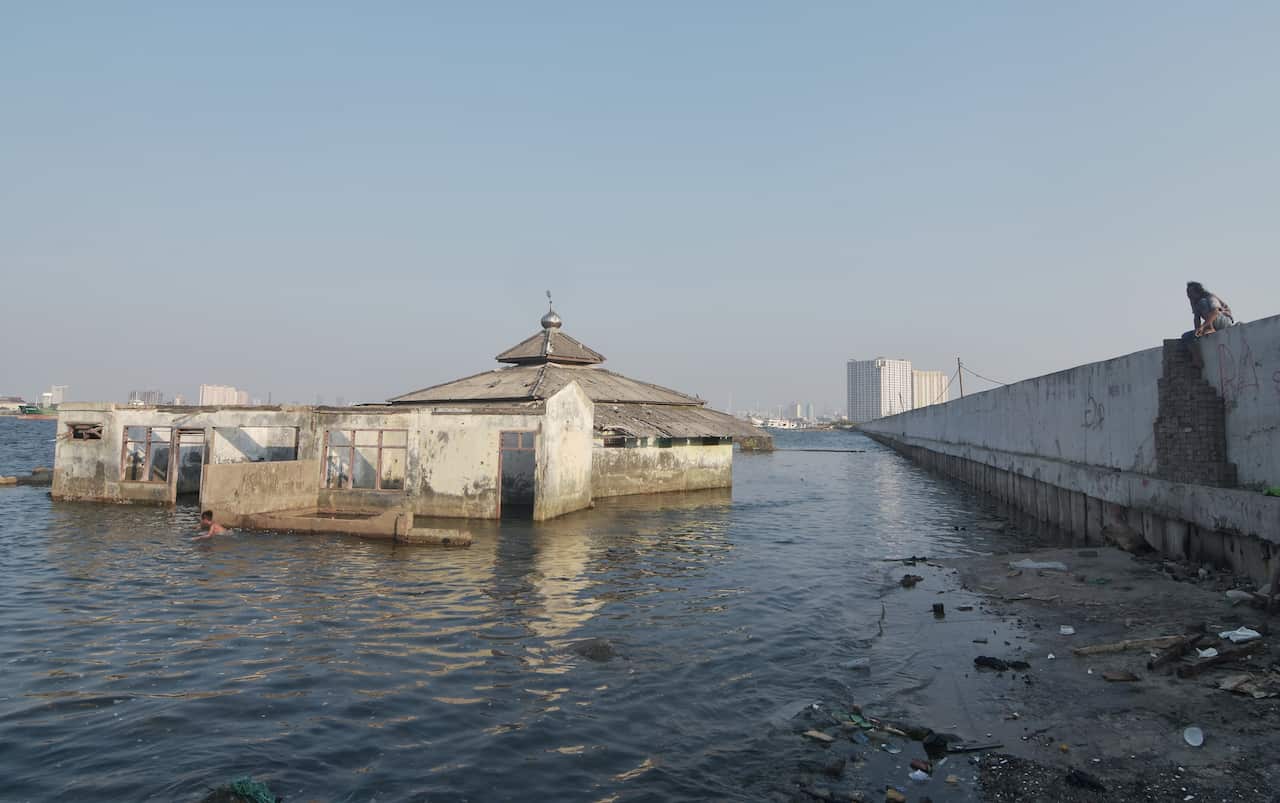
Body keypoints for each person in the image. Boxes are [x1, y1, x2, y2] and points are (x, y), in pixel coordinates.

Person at [1181, 282, 1235, 368]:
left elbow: (1215, 312)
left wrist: (1204, 326)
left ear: (1197, 291)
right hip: (1210, 322)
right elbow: (1196, 318)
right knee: (1186, 336)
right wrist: (1197, 331)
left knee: (1203, 303)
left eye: (1190, 292)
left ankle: (1210, 328)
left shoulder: (1209, 297)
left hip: (1224, 320)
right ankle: (1197, 360)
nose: (1189, 295)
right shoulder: (1194, 302)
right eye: (1187, 293)